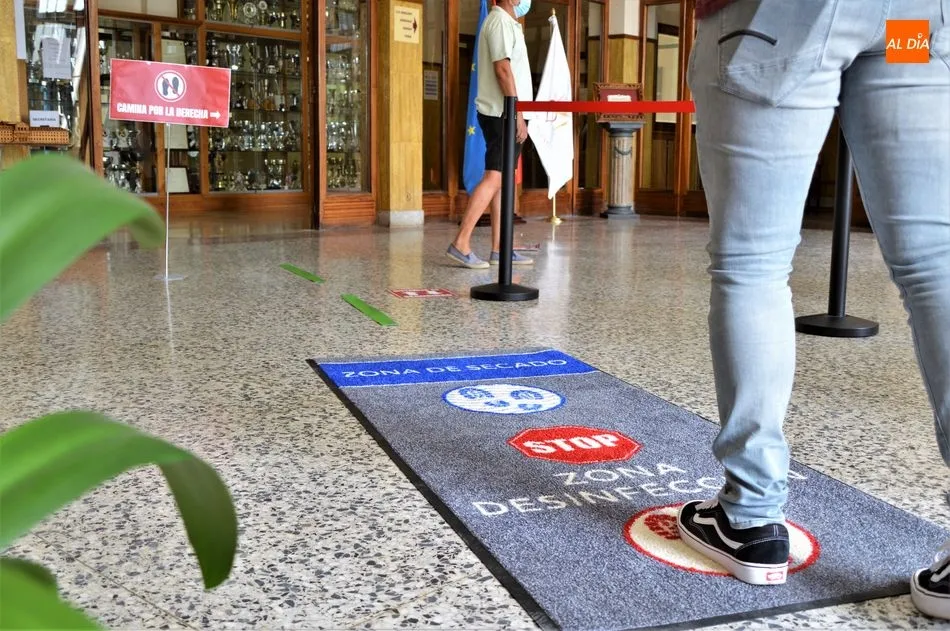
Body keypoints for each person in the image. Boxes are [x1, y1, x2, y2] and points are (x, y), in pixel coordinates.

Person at [676, 0, 950, 619]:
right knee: (935, 263)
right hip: (907, 25)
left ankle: (750, 517)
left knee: (753, 263)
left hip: (789, 15)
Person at [446, 0, 535, 269]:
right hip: (501, 113)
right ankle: (461, 242)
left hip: (506, 111)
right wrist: (517, 113)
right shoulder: (498, 22)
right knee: (494, 176)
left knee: (502, 179)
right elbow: (502, 70)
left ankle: (500, 248)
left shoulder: (509, 23)